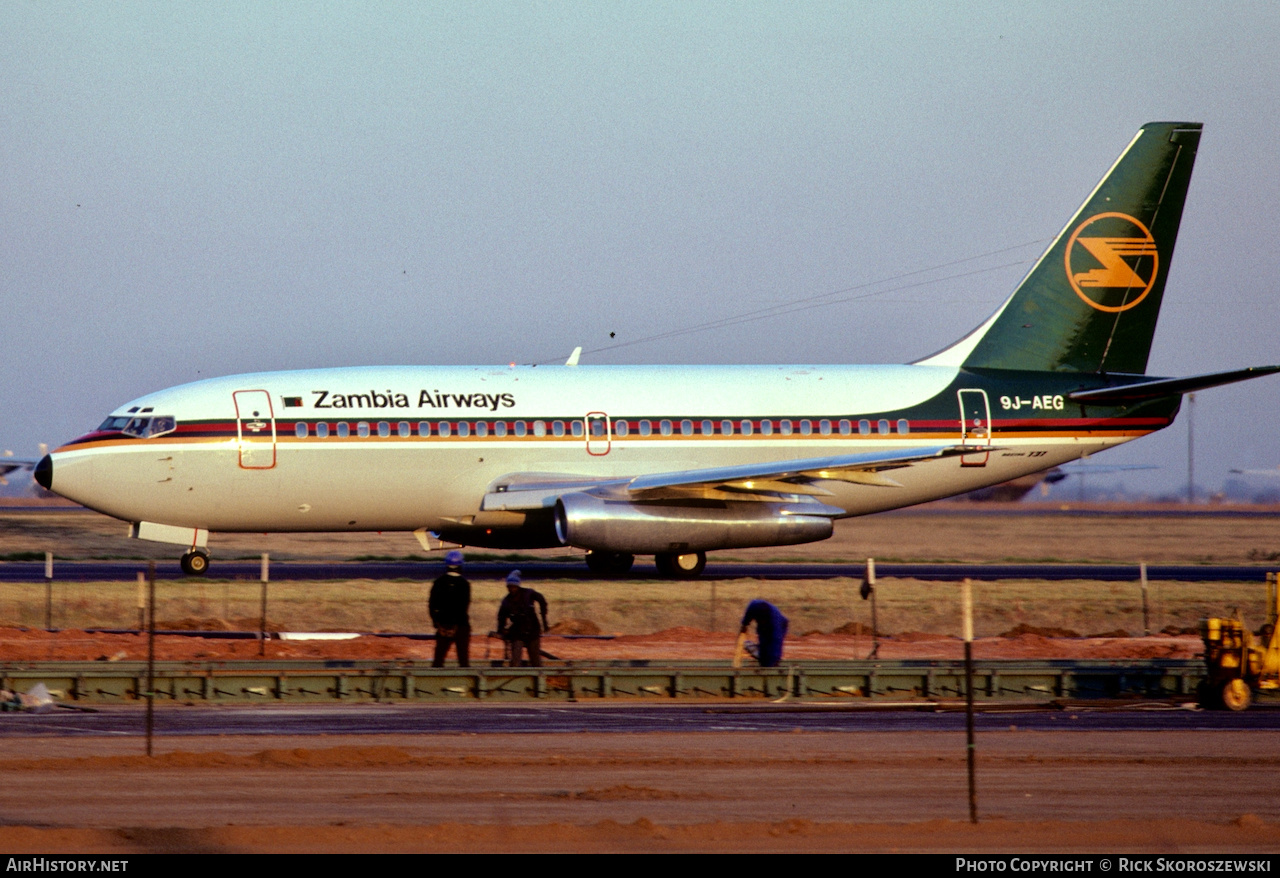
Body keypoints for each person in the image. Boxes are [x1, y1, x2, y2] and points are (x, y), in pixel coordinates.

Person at [497, 570, 549, 667]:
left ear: (518, 586)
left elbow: (541, 600)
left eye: (514, 587)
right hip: (518, 632)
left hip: (532, 630)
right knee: (515, 660)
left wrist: (544, 621)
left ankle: (538, 679)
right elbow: (501, 617)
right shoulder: (506, 601)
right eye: (509, 587)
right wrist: (501, 630)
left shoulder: (528, 593)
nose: (512, 589)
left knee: (535, 660)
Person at [429, 550, 471, 667]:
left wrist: (438, 623)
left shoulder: (439, 582)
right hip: (460, 626)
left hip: (443, 625)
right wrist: (455, 626)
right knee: (463, 660)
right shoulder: (464, 584)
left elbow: (432, 605)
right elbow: (463, 606)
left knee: (438, 660)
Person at [739, 599, 789, 668]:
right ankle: (763, 657)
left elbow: (776, 640)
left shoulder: (775, 621)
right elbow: (748, 614)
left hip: (781, 624)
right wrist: (744, 624)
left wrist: (772, 662)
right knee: (763, 643)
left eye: (762, 619)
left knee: (772, 646)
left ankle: (773, 661)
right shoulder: (753, 606)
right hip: (764, 625)